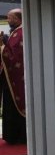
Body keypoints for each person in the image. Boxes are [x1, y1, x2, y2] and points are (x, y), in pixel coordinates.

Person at [0, 9, 26, 145]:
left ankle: (16, 137)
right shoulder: (17, 32)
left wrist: (2, 46)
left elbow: (14, 56)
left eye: (10, 18)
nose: (8, 20)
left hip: (16, 79)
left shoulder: (20, 33)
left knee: (13, 106)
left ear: (18, 19)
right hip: (11, 77)